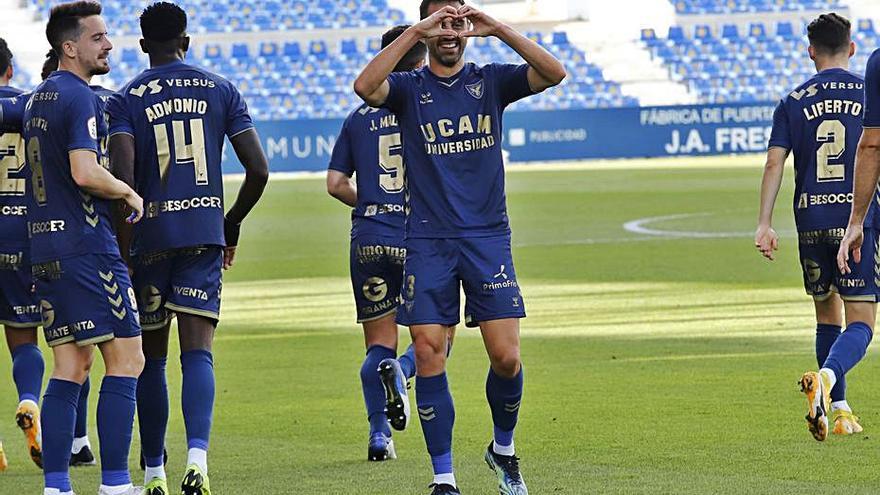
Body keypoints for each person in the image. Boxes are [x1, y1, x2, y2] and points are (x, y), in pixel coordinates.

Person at [353, 1, 565, 493]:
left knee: (506, 357)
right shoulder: (408, 90)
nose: (449, 32)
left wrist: (498, 28)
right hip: (427, 240)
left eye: (456, 22)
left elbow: (554, 73)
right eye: (439, 23)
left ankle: (503, 450)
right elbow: (364, 87)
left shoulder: (491, 80)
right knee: (428, 352)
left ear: (467, 28)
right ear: (427, 29)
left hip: (488, 237)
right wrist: (416, 32)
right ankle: (443, 478)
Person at [107, 3, 269, 494]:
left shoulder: (126, 97)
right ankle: (197, 459)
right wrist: (231, 223)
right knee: (198, 354)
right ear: (187, 41)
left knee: (150, 360)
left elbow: (124, 177)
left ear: (141, 46)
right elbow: (258, 170)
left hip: (150, 239)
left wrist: (124, 250)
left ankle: (153, 471)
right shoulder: (220, 89)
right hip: (203, 233)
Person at [25, 2, 146, 494]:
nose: (109, 44)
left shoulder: (38, 98)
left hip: (46, 250)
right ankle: (116, 484)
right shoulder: (79, 97)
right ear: (69, 47)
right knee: (128, 359)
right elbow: (84, 170)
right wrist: (126, 190)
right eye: (98, 37)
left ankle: (57, 485)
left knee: (70, 366)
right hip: (86, 248)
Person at [756, 12, 874, 441]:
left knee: (828, 312)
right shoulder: (869, 91)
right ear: (853, 48)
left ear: (810, 52)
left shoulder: (792, 100)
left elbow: (774, 162)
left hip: (810, 219)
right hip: (855, 219)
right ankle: (826, 380)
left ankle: (838, 411)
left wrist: (764, 223)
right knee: (861, 320)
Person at [328, 24, 427, 462]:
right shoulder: (428, 106)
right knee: (437, 338)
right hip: (418, 234)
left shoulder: (357, 117)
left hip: (369, 235)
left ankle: (379, 437)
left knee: (376, 343)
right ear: (420, 61)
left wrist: (369, 199)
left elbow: (334, 184)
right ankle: (403, 371)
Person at [0, 37, 45, 469]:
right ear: (9, 71)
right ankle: (29, 401)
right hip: (23, 236)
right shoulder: (31, 106)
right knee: (23, 338)